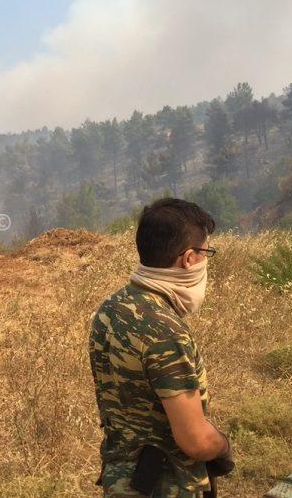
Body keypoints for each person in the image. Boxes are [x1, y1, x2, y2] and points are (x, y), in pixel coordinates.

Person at [89, 198, 234, 497]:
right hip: (166, 487)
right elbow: (195, 440)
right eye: (207, 252)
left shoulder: (111, 308)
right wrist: (223, 444)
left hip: (120, 479)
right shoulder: (165, 331)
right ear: (190, 258)